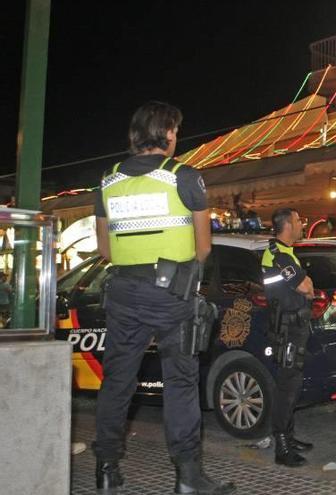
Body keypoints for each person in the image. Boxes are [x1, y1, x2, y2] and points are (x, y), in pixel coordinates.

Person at [93, 102, 234, 494]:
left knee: (117, 381)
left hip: (121, 292)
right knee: (181, 382)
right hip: (170, 293)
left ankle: (105, 471)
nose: (177, 137)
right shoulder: (184, 176)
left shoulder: (107, 181)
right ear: (167, 132)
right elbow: (202, 246)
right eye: (176, 130)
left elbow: (105, 249)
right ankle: (187, 478)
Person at [261, 208, 316, 468]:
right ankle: (282, 446)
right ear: (286, 225)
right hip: (286, 330)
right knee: (287, 387)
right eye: (298, 220)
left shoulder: (287, 253)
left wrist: (307, 288)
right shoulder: (278, 255)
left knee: (291, 384)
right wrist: (307, 288)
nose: (302, 223)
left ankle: (289, 436)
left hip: (294, 328)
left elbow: (307, 287)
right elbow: (306, 287)